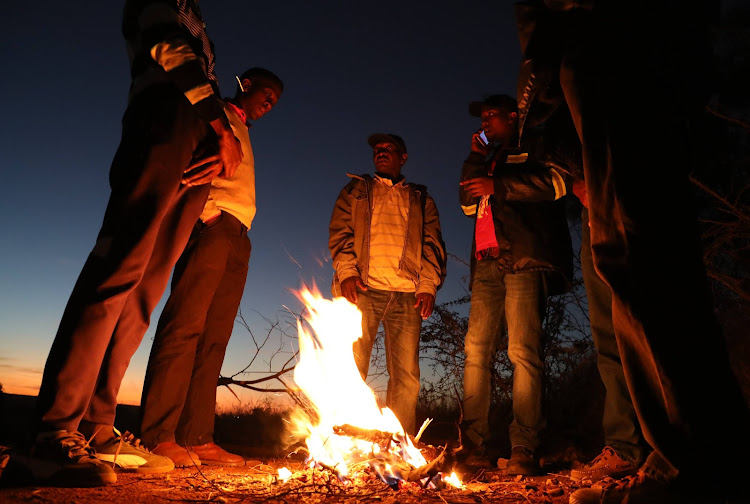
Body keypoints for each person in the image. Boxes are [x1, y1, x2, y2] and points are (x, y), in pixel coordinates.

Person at [513, 1, 750, 503]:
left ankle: (691, 466)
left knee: (636, 249)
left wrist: (545, 60)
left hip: (611, 36)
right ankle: (708, 452)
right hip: (637, 39)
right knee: (652, 249)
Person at [31, 0, 243, 487]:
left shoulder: (198, 13)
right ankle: (51, 431)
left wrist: (213, 140)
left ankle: (97, 426)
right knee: (118, 270)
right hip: (165, 115)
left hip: (198, 134)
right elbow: (168, 48)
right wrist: (218, 124)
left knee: (147, 289)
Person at [137, 67, 282, 468]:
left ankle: (197, 437)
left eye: (275, 102)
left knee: (215, 338)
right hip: (212, 224)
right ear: (246, 85)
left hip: (240, 233)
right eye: (266, 95)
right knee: (185, 325)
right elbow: (184, 158)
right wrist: (209, 213)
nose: (269, 105)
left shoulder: (243, 128)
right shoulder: (212, 110)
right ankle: (157, 436)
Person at [458, 94, 573, 475]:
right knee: (476, 350)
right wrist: (477, 159)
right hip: (487, 261)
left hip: (525, 258)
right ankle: (473, 447)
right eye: (482, 116)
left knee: (523, 350)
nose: (486, 121)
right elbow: (466, 203)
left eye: (492, 115)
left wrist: (499, 185)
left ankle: (524, 445)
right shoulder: (486, 159)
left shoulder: (534, 145)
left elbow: (557, 183)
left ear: (513, 116)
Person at [328, 133, 447, 436]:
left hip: (407, 295)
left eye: (389, 149)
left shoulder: (420, 198)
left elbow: (433, 245)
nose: (381, 153)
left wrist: (427, 286)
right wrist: (347, 273)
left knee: (406, 375)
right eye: (377, 150)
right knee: (351, 366)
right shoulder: (356, 190)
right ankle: (342, 438)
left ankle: (399, 444)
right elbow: (339, 233)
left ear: (402, 158)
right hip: (362, 289)